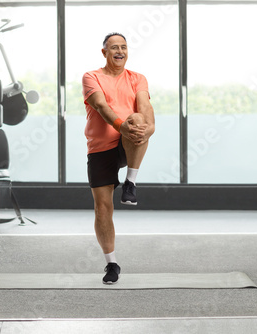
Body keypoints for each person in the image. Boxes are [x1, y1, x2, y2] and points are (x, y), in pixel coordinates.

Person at [82, 32, 155, 284]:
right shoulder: (92, 77)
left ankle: (130, 182)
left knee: (138, 119)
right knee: (102, 208)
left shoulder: (137, 78)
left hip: (128, 143)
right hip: (101, 147)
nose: (119, 51)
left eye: (123, 47)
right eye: (114, 47)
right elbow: (101, 106)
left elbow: (145, 107)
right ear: (104, 52)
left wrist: (149, 128)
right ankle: (111, 264)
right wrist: (120, 125)